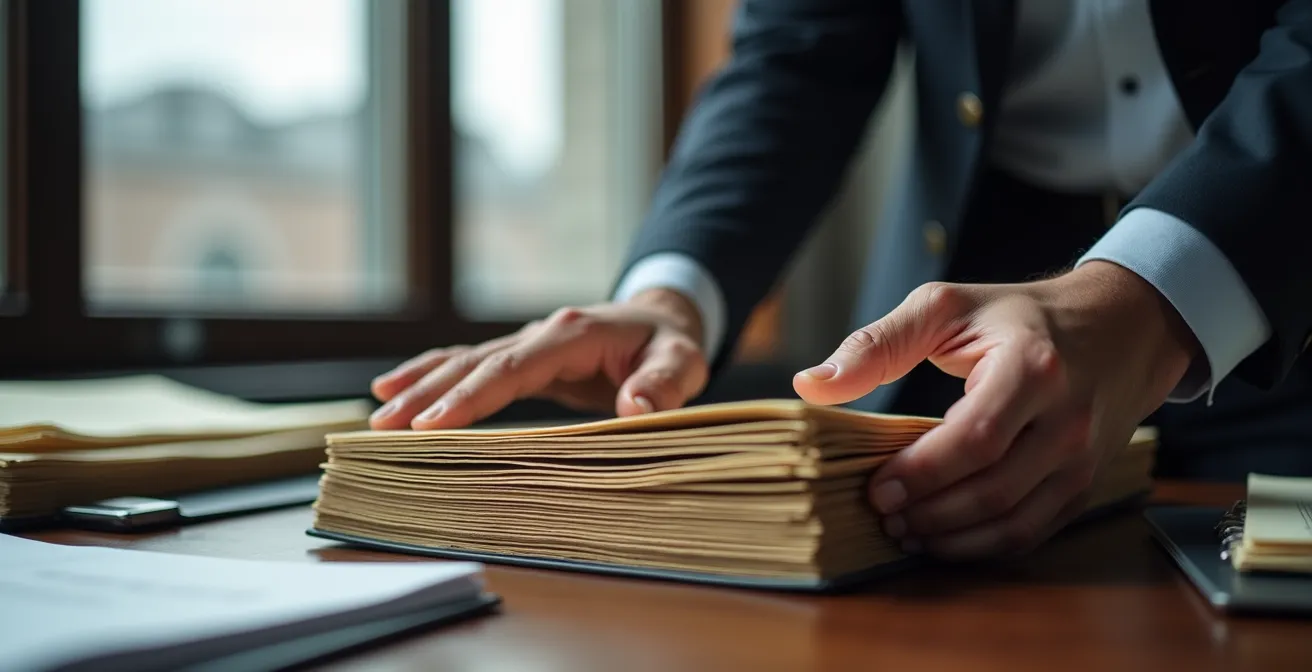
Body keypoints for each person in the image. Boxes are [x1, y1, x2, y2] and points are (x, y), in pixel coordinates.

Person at [369, 0, 1312, 560]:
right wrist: (670, 294)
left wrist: (1152, 289)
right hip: (966, 333)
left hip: (1286, 283)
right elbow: (796, 54)